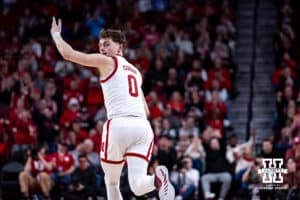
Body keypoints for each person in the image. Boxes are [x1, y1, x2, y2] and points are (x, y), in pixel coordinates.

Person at [50, 17, 175, 200]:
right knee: (138, 186)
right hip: (142, 127)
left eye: (107, 45)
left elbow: (69, 54)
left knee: (111, 181)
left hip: (119, 124)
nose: (102, 49)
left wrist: (56, 36)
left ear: (120, 48)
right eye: (100, 45)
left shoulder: (108, 62)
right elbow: (146, 109)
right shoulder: (135, 71)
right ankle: (156, 178)